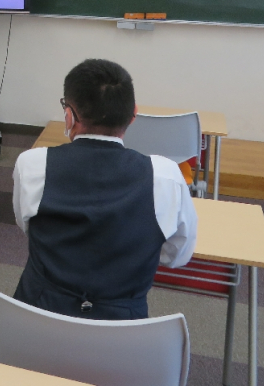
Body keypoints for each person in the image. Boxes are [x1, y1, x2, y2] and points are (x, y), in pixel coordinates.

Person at [12, 58, 197, 320]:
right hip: (123, 330)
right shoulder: (165, 176)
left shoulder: (32, 164)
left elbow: (28, 226)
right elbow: (177, 256)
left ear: (69, 116)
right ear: (133, 114)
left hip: (36, 320)